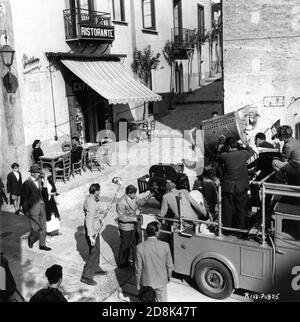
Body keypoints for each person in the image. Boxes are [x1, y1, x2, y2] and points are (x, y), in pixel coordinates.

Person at [217, 137, 254, 230]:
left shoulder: (225, 156)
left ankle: (227, 229)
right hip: (241, 187)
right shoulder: (244, 154)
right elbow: (251, 151)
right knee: (241, 209)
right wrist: (245, 145)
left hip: (228, 187)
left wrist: (220, 147)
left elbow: (217, 157)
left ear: (229, 146)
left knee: (227, 209)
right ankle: (241, 229)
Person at [116, 185, 154, 268]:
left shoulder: (133, 197)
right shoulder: (121, 203)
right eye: (133, 194)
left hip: (133, 225)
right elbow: (121, 217)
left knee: (134, 243)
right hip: (126, 227)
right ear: (129, 194)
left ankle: (135, 260)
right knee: (125, 245)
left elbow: (140, 202)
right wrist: (134, 218)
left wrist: (149, 196)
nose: (135, 196)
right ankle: (122, 263)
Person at [135, 221, 174, 302]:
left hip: (146, 283)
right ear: (156, 232)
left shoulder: (139, 247)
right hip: (161, 281)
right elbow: (169, 265)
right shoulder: (165, 245)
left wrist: (138, 283)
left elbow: (138, 268)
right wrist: (169, 277)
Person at [80, 183, 109, 286]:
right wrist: (90, 236)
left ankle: (95, 268)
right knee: (94, 252)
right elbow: (89, 219)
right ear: (96, 191)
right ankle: (86, 276)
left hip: (95, 228)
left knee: (96, 250)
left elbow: (95, 211)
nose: (100, 192)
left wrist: (103, 210)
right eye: (99, 191)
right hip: (92, 230)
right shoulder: (91, 202)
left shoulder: (90, 199)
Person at [20, 165, 51, 251]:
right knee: (36, 228)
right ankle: (31, 238)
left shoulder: (40, 180)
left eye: (38, 172)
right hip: (33, 208)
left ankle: (42, 245)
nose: (38, 174)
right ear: (32, 173)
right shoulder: (26, 183)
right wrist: (25, 210)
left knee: (43, 226)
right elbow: (24, 198)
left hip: (42, 206)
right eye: (36, 172)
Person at [40, 168, 61, 242]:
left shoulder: (50, 181)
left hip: (51, 201)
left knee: (53, 218)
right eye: (47, 172)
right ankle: (46, 236)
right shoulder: (41, 182)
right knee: (47, 219)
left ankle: (51, 234)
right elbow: (44, 192)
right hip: (45, 203)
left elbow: (54, 190)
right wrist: (49, 194)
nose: (49, 173)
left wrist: (53, 195)